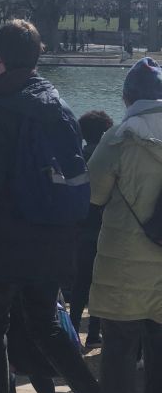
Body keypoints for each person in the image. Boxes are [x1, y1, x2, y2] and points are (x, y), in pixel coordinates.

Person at [0, 19, 129, 393]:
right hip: (52, 235)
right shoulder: (56, 103)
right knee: (47, 327)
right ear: (37, 56)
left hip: (3, 238)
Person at [87, 57, 162, 393]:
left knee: (119, 344)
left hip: (126, 258)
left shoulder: (119, 135)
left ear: (127, 96)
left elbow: (95, 193)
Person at [70, 110, 113, 348]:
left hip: (79, 228)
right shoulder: (107, 156)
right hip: (103, 228)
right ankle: (94, 333)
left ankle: (73, 329)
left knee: (79, 284)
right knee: (100, 284)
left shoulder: (78, 156)